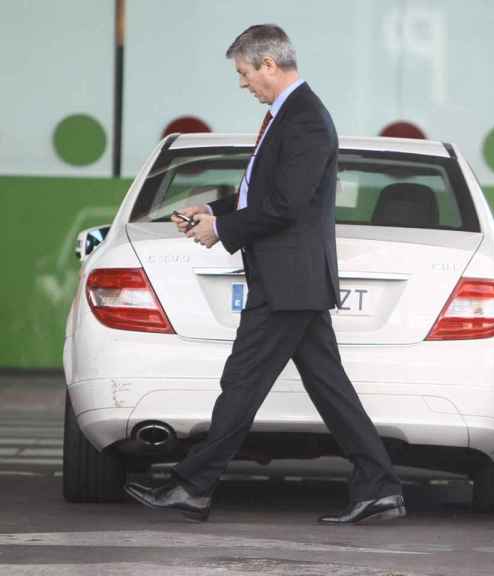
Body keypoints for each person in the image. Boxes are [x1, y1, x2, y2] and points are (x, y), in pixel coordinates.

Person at [124, 24, 405, 525]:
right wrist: (207, 209)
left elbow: (284, 205)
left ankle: (192, 486)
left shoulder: (305, 121)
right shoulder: (289, 117)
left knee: (243, 382)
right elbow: (261, 195)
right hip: (291, 281)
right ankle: (379, 487)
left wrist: (223, 230)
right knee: (328, 389)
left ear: (269, 65)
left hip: (287, 282)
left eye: (244, 73)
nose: (243, 84)